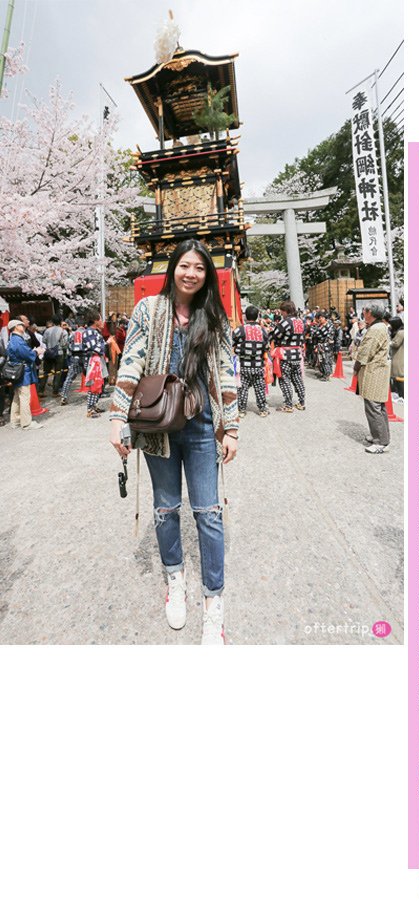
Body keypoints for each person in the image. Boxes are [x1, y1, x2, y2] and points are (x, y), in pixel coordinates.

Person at [108, 238, 239, 644]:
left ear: (208, 275)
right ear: (172, 268)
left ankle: (213, 601)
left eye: (200, 268)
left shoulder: (214, 316)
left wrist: (230, 426)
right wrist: (117, 417)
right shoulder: (150, 309)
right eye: (185, 266)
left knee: (209, 512)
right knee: (165, 509)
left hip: (201, 426)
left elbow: (225, 371)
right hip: (158, 425)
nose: (191, 274)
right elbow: (131, 360)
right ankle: (176, 579)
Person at [355, 302, 391, 454]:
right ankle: (380, 436)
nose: (363, 313)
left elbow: (366, 352)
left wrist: (356, 366)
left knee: (373, 407)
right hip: (377, 369)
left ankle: (381, 442)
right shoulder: (380, 326)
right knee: (378, 406)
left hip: (374, 370)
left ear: (371, 313)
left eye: (365, 310)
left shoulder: (376, 329)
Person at [3, 316, 44, 430]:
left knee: (17, 396)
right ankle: (26, 423)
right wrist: (36, 351)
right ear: (16, 327)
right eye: (21, 324)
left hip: (17, 370)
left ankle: (15, 421)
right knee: (25, 397)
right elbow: (27, 354)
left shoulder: (13, 339)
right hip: (23, 371)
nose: (24, 326)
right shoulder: (18, 340)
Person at [233, 305, 270, 417]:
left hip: (244, 364)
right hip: (258, 364)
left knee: (242, 388)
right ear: (257, 316)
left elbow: (232, 342)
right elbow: (267, 347)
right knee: (259, 388)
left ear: (245, 316)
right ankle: (262, 409)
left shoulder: (240, 329)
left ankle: (242, 410)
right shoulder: (263, 330)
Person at [271, 299, 306, 412]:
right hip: (297, 354)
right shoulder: (300, 321)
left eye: (282, 313)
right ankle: (301, 402)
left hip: (285, 355)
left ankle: (288, 405)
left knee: (284, 379)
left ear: (286, 311)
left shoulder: (285, 322)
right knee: (297, 379)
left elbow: (275, 335)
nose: (282, 315)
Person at [389, 314, 404, 400]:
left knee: (398, 377)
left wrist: (389, 342)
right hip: (399, 357)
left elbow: (395, 344)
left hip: (398, 358)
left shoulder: (400, 333)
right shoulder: (402, 331)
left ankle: (401, 395)